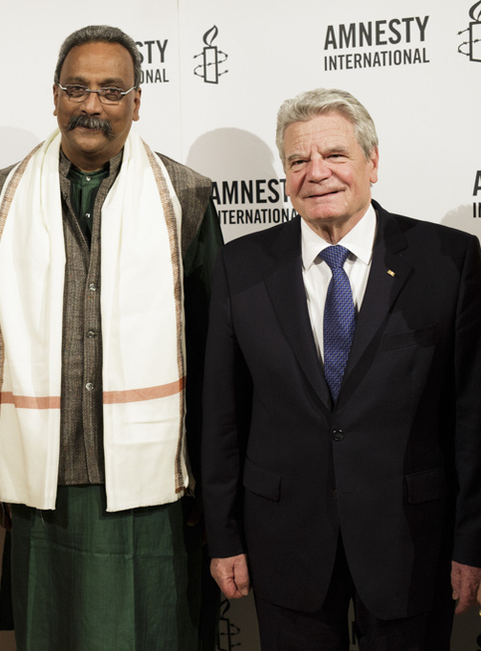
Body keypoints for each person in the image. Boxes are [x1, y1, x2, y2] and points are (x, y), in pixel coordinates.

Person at [0, 24, 223, 650]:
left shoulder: (184, 197)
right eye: (76, 88)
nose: (91, 105)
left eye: (110, 90)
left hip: (156, 482)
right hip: (40, 477)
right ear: (54, 97)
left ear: (136, 101)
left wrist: (215, 483)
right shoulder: (5, 196)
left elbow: (214, 350)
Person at [202, 88, 481, 649]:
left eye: (335, 155)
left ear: (372, 162)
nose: (317, 173)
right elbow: (222, 416)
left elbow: (472, 417)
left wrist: (470, 544)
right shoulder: (241, 265)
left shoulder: (447, 261)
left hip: (410, 542)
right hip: (286, 543)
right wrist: (223, 536)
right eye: (298, 161)